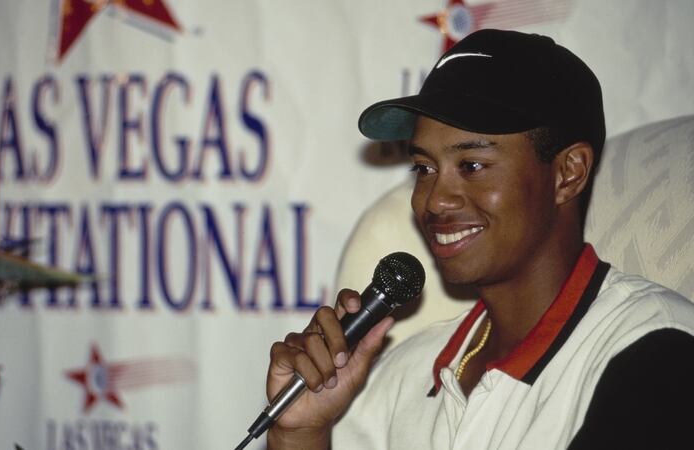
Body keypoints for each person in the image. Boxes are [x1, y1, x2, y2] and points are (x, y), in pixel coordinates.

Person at [264, 29, 694, 449]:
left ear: (568, 173)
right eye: (424, 169)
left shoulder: (656, 355)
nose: (434, 200)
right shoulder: (399, 376)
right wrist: (300, 435)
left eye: (471, 165)